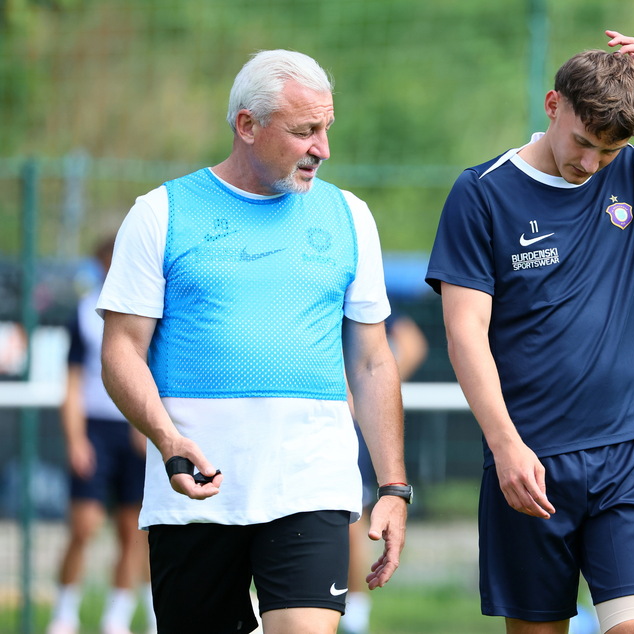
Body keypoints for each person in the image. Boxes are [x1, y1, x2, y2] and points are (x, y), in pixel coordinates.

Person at [426, 30, 634, 634]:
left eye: (607, 152)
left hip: (627, 455)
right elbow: (465, 336)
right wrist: (506, 446)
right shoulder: (481, 194)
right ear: (554, 106)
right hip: (529, 462)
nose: (591, 164)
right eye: (583, 143)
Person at [97, 49, 409, 634]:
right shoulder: (160, 213)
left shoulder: (350, 216)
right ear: (247, 125)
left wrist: (393, 486)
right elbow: (120, 351)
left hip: (309, 483)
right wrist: (167, 440)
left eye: (325, 128)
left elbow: (371, 362)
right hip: (194, 490)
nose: (322, 148)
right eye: (303, 131)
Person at [47, 235, 156, 634]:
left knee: (133, 530)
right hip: (95, 429)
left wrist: (147, 424)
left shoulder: (151, 309)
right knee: (85, 524)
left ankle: (117, 617)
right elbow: (72, 383)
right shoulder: (83, 311)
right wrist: (76, 439)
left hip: (135, 431)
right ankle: (64, 612)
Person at [340, 313, 428, 634]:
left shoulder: (368, 293)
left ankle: (356, 612)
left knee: (350, 515)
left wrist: (371, 393)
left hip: (345, 422)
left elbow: (413, 344)